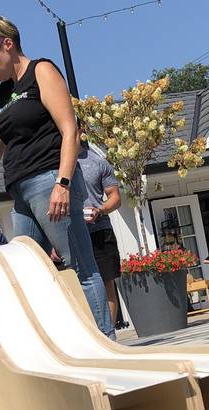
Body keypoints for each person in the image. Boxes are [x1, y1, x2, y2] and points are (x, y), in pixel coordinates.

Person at [0, 15, 113, 339]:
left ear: (7, 44)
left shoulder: (42, 71)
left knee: (80, 265)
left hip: (50, 179)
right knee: (26, 270)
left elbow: (70, 130)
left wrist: (63, 184)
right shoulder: (2, 95)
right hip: (22, 194)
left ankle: (107, 342)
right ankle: (61, 342)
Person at [77, 131, 122, 326]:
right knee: (78, 288)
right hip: (72, 234)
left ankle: (110, 336)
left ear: (80, 131)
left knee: (106, 284)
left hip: (99, 231)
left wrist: (100, 210)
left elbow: (115, 198)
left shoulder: (97, 162)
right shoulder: (54, 163)